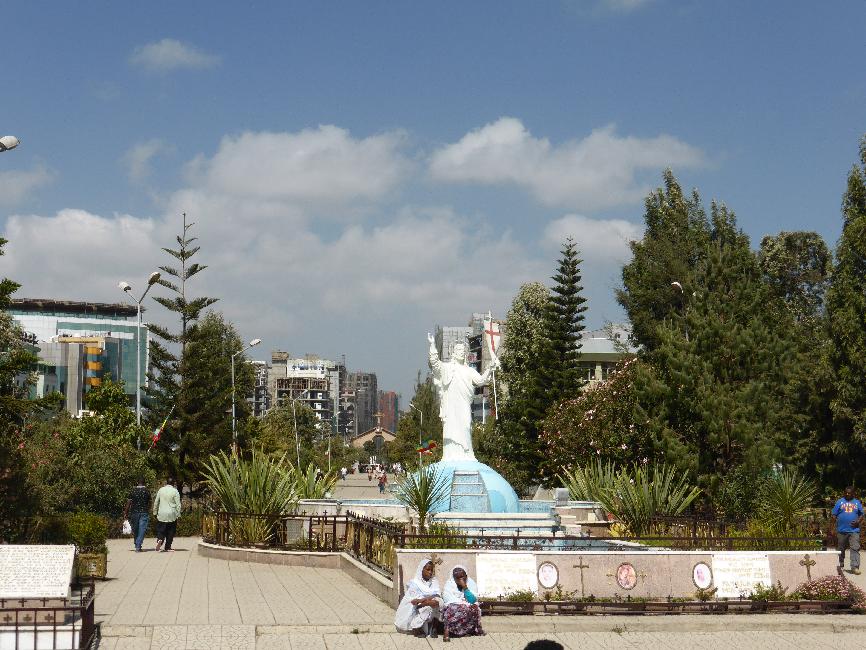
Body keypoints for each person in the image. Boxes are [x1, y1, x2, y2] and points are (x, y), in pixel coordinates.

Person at [427, 333, 498, 462]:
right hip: (451, 405)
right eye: (458, 349)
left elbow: (481, 380)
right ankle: (450, 455)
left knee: (466, 425)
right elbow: (435, 364)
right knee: (451, 428)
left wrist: (490, 368)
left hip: (464, 403)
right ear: (453, 352)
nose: (461, 352)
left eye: (463, 350)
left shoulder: (469, 370)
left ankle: (467, 454)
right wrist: (432, 345)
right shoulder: (447, 368)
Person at [395, 558, 442, 637]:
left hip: (429, 602)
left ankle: (434, 628)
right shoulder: (415, 583)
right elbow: (413, 601)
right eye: (428, 570)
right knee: (429, 606)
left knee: (440, 602)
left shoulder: (434, 581)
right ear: (421, 570)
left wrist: (424, 600)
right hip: (417, 607)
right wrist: (425, 602)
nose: (430, 572)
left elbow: (437, 594)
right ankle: (416, 627)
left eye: (432, 570)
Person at [441, 565, 484, 641]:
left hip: (467, 604)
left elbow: (472, 600)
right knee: (455, 608)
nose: (460, 579)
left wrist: (465, 587)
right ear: (454, 578)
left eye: (462, 577)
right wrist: (462, 603)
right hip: (453, 605)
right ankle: (450, 631)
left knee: (474, 608)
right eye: (457, 578)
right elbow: (447, 599)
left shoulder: (471, 583)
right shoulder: (449, 584)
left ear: (466, 576)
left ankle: (467, 631)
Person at [833, 486, 863, 574]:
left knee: (855, 548)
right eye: (846, 492)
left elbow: (861, 515)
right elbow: (834, 514)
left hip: (854, 530)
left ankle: (855, 567)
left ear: (853, 493)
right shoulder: (839, 502)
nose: (847, 494)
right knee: (840, 549)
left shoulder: (857, 502)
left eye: (849, 493)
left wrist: (858, 521)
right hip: (841, 530)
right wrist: (835, 523)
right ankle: (840, 565)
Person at [153, 477, 182, 552]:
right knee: (171, 531)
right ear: (174, 483)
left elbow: (156, 502)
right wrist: (178, 515)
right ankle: (168, 547)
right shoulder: (175, 491)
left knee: (161, 529)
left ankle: (160, 539)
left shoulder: (161, 490)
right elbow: (178, 505)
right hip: (172, 514)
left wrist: (155, 512)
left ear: (166, 482)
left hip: (162, 513)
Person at [123, 477, 151, 552]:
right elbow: (150, 503)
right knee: (142, 529)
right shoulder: (147, 491)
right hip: (144, 512)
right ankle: (138, 545)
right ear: (144, 482)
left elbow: (128, 503)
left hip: (134, 512)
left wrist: (125, 513)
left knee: (136, 529)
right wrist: (148, 510)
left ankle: (137, 544)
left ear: (137, 483)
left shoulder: (133, 491)